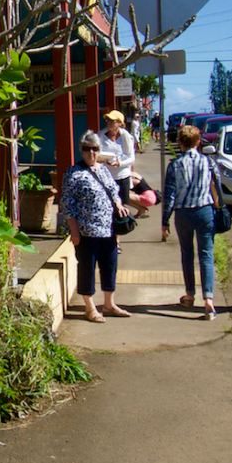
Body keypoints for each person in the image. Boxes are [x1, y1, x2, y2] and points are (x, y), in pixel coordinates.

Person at [61, 130, 131, 322]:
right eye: (87, 149)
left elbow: (114, 190)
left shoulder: (103, 170)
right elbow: (67, 204)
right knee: (87, 268)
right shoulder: (73, 173)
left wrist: (117, 203)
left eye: (95, 149)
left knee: (110, 266)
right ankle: (90, 307)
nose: (91, 153)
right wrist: (74, 230)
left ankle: (109, 304)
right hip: (86, 231)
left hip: (108, 230)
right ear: (81, 151)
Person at [161, 124, 219, 320]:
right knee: (206, 254)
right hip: (205, 210)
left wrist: (165, 219)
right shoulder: (208, 162)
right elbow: (217, 186)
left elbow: (169, 194)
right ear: (198, 142)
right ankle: (209, 300)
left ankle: (190, 294)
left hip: (183, 212)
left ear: (180, 143)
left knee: (187, 253)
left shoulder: (175, 165)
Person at [98, 110, 136, 207]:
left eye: (112, 120)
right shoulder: (100, 135)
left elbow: (131, 157)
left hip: (122, 177)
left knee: (122, 207)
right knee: (107, 205)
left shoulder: (126, 136)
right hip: (106, 177)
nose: (108, 122)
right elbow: (96, 153)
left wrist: (120, 163)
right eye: (107, 120)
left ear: (120, 123)